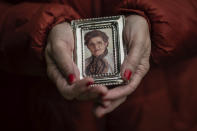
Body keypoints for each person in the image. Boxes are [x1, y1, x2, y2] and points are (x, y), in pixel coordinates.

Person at [1, 0, 197, 131]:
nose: (95, 47)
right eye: (91, 44)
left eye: (99, 43)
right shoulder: (86, 61)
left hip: (165, 104)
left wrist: (156, 24)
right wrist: (40, 33)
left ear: (105, 44)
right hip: (38, 108)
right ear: (86, 45)